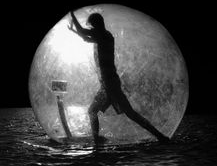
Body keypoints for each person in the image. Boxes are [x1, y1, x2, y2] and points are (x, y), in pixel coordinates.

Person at [68, 10, 168, 144]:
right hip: (107, 83)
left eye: (91, 26)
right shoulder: (103, 36)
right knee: (94, 111)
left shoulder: (103, 35)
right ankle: (97, 139)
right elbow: (85, 37)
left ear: (96, 24)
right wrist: (73, 31)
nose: (91, 28)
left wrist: (72, 15)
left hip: (110, 83)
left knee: (129, 114)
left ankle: (159, 136)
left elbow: (83, 32)